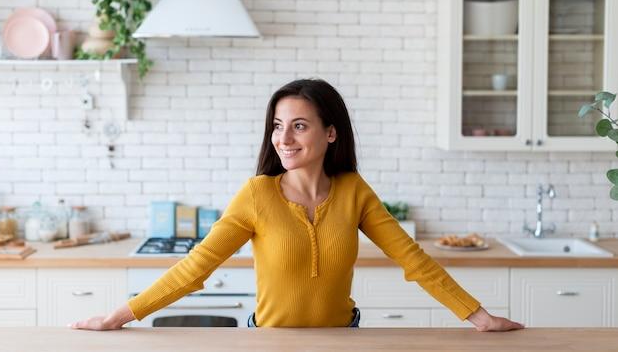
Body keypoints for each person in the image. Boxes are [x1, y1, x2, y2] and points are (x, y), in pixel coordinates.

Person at [71, 78, 524, 331]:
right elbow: (197, 267)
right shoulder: (257, 195)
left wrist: (479, 317)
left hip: (343, 340)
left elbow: (415, 260)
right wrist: (118, 316)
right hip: (268, 341)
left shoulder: (354, 192)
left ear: (331, 133)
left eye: (299, 126)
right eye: (277, 126)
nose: (283, 139)